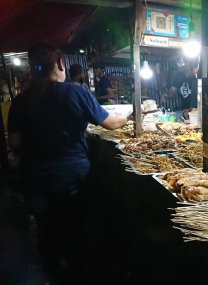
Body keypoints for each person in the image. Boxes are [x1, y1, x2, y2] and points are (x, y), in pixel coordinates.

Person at [7, 43, 128, 285]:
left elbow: (15, 141)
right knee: (77, 228)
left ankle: (54, 275)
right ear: (61, 64)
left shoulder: (21, 101)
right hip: (72, 177)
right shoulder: (75, 92)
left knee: (47, 230)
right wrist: (129, 116)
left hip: (36, 177)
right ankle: (80, 273)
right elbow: (111, 124)